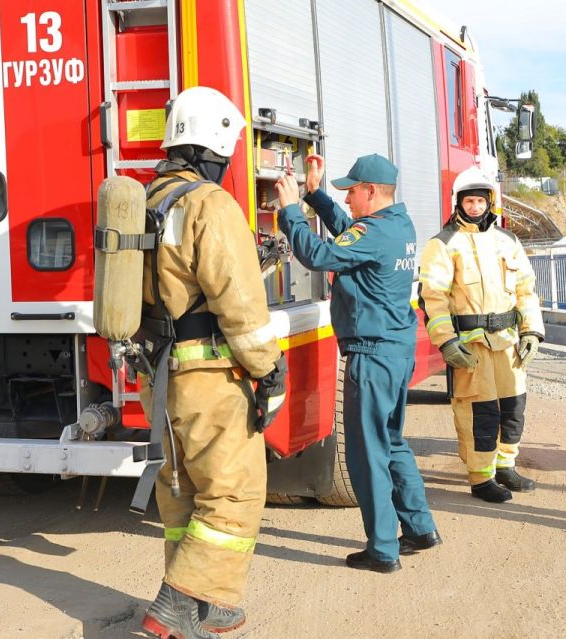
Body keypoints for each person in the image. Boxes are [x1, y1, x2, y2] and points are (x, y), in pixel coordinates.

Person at [139, 86, 287, 638]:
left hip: (162, 372)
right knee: (233, 492)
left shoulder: (151, 199)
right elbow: (239, 304)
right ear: (213, 149)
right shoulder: (208, 204)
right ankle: (178, 605)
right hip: (212, 372)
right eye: (226, 157)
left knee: (183, 489)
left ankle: (210, 602)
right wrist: (267, 366)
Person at [273, 153, 439, 573]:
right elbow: (351, 235)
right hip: (395, 351)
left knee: (367, 455)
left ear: (370, 192)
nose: (346, 199)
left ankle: (383, 550)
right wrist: (315, 194)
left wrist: (291, 208)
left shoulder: (375, 232)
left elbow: (318, 254)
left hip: (372, 354)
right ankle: (419, 528)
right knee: (393, 443)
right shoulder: (397, 226)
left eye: (350, 192)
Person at [418, 166, 545, 503]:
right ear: (458, 202)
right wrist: (446, 342)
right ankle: (480, 476)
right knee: (479, 412)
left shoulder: (508, 241)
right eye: (468, 200)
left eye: (479, 200)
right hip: (470, 345)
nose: (474, 206)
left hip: (508, 342)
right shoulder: (443, 244)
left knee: (512, 407)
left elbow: (526, 290)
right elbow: (434, 298)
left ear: (490, 202)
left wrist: (532, 331)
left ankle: (505, 466)